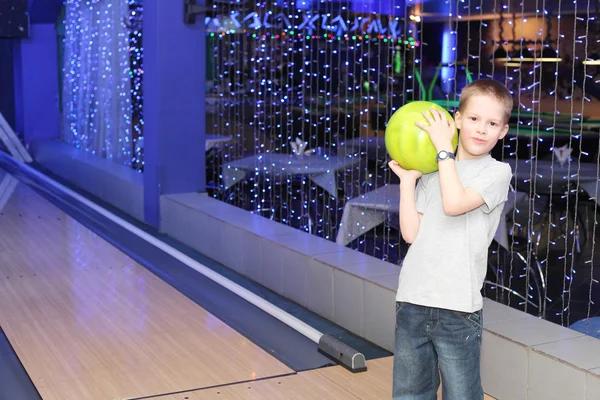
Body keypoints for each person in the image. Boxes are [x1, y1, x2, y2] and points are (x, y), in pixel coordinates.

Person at [388, 79, 514, 400]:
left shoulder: (497, 173)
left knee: (462, 395)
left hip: (458, 307)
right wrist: (407, 181)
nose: (481, 129)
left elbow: (454, 204)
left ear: (503, 131)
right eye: (473, 119)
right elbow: (410, 233)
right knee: (410, 394)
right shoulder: (432, 172)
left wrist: (444, 149)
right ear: (457, 120)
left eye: (492, 123)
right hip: (413, 299)